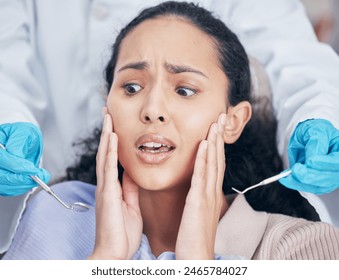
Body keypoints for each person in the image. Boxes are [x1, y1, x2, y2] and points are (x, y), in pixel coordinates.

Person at [3, 1, 338, 260]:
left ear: (233, 121)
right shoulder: (48, 219)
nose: (151, 111)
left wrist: (196, 266)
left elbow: (292, 53)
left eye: (185, 90)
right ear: (107, 106)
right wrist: (105, 261)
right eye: (131, 88)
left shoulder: (301, 246)